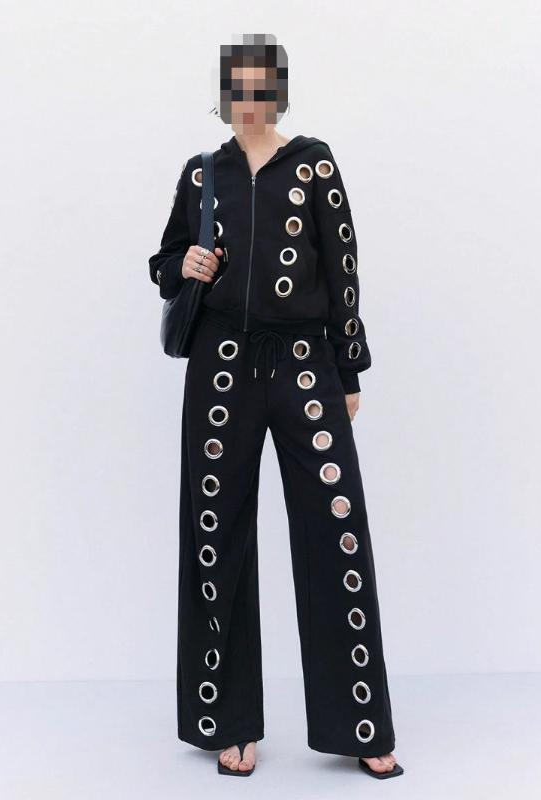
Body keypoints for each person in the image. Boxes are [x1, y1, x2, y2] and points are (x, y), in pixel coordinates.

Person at [148, 35, 403, 780]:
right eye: (238, 88)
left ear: (279, 93)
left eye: (261, 88)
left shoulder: (314, 164)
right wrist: (186, 263)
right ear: (224, 94)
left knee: (336, 533)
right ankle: (227, 720)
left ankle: (359, 721)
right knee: (215, 535)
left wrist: (347, 368)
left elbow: (343, 270)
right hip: (220, 371)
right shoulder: (203, 173)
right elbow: (164, 264)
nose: (249, 101)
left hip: (304, 366)